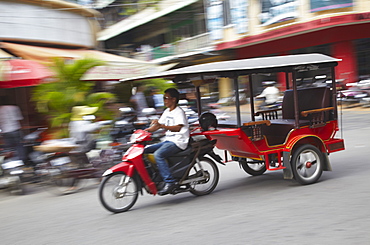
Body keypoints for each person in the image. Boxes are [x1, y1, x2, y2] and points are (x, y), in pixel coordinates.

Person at [144, 88, 189, 195]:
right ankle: (157, 176)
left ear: (173, 99)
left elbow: (178, 128)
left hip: (178, 141)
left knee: (158, 155)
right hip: (168, 140)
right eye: (163, 98)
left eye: (166, 98)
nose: (164, 100)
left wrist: (161, 126)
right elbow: (157, 126)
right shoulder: (166, 111)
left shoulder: (179, 112)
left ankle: (170, 182)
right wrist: (144, 132)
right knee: (145, 151)